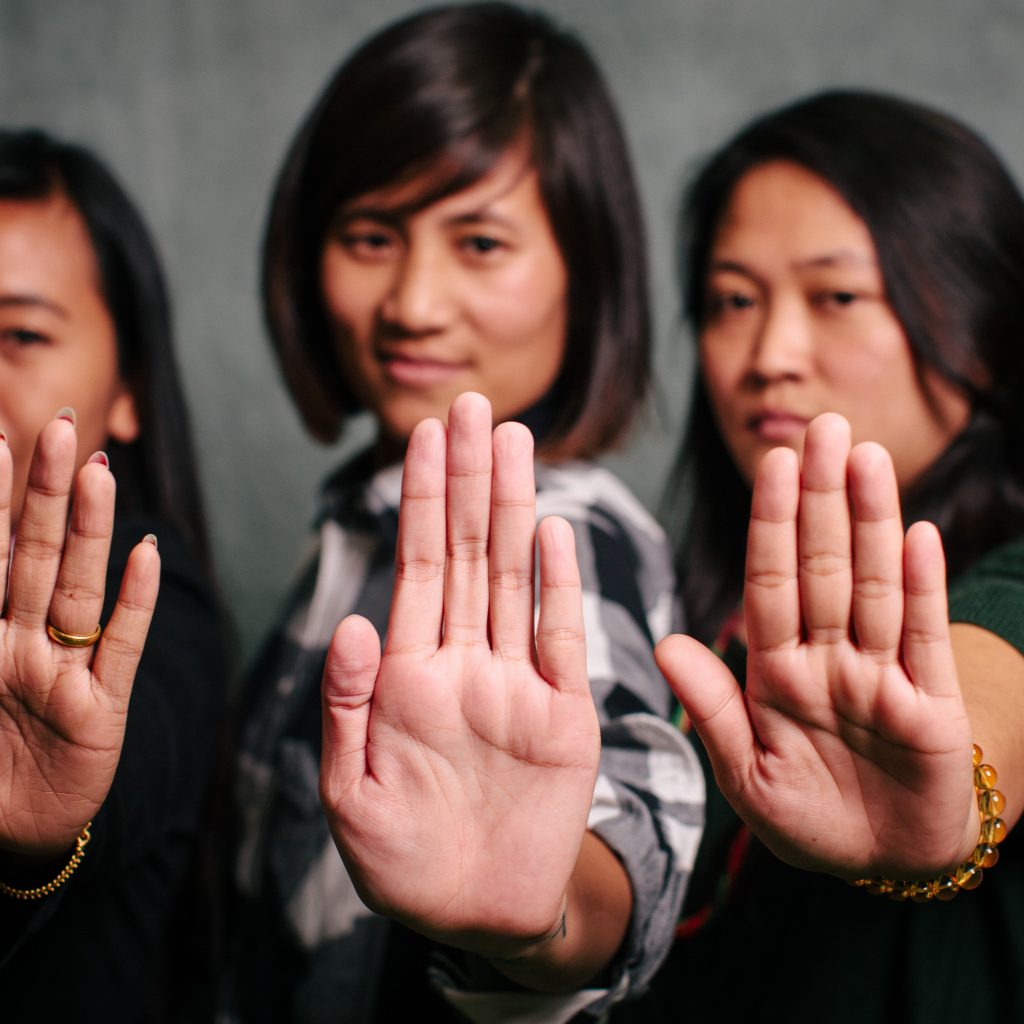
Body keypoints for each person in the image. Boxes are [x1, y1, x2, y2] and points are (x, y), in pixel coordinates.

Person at [227, 4, 701, 1023]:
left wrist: (535, 916)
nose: (412, 301)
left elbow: (621, 854)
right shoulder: (361, 521)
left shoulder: (560, 532)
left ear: (586, 273)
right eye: (370, 235)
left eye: (479, 241)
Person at [619, 90, 1024, 1022]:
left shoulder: (1008, 575)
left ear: (984, 326)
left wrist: (952, 804)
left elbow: (991, 674)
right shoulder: (690, 619)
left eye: (837, 296)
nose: (771, 354)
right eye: (731, 301)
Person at [0, 129, 225, 1022]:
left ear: (128, 383)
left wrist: (37, 833)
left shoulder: (151, 593)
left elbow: (127, 765)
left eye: (21, 332)